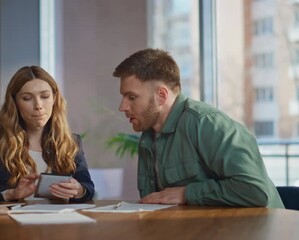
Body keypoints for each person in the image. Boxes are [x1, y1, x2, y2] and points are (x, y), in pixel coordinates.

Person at [112, 48, 284, 208]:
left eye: (132, 97)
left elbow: (255, 191)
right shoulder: (148, 137)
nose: (122, 107)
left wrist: (187, 193)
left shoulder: (206, 123)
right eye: (123, 97)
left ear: (161, 96)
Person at [0, 66, 95, 202]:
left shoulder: (71, 141)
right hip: (12, 220)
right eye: (27, 98)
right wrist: (12, 193)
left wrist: (78, 190)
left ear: (54, 98)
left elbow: (88, 188)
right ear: (15, 103)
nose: (38, 105)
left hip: (58, 219)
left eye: (45, 96)